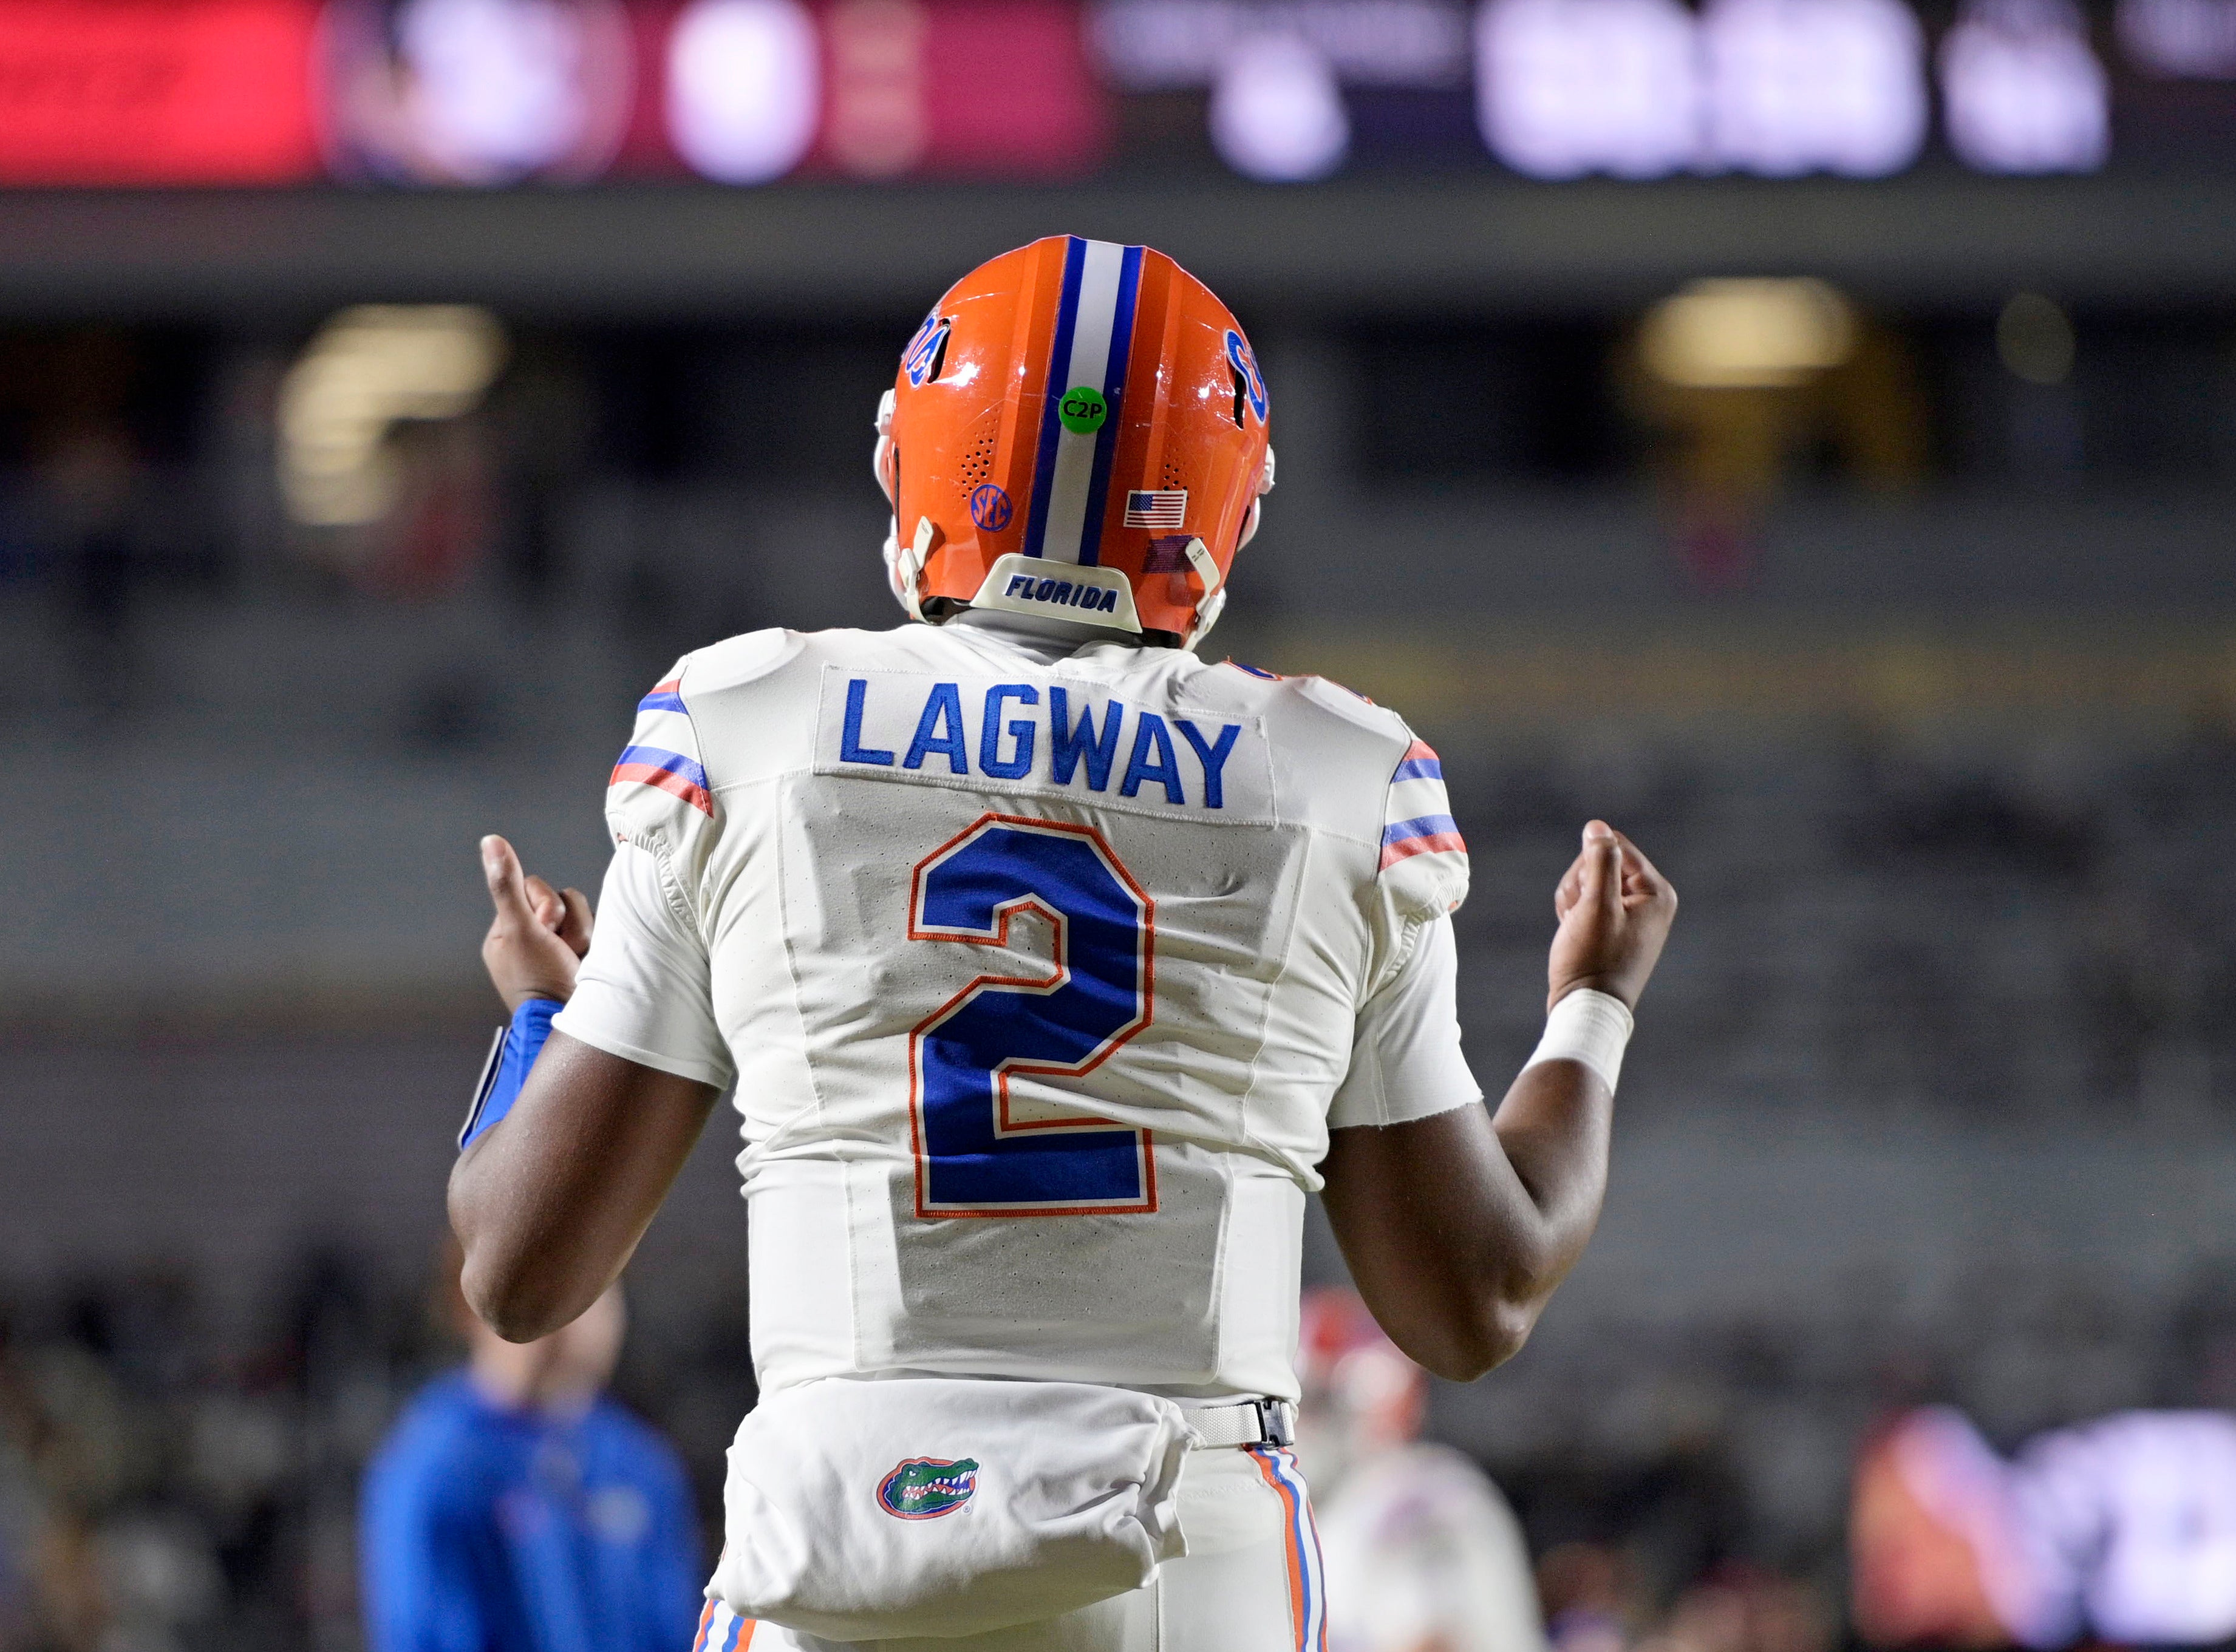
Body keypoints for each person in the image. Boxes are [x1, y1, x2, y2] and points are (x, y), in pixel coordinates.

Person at [448, 235, 1678, 1652]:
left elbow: (518, 1271)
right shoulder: (1344, 777)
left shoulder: (746, 726)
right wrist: (1591, 1006)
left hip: (840, 1546)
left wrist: (551, 1015)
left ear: (919, 459)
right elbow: (1476, 1293)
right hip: (1185, 1562)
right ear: (1219, 506)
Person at [360, 1265, 703, 1652]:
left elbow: (675, 1626)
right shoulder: (434, 1465)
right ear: (477, 1304)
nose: (576, 1319)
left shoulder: (640, 1464)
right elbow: (428, 1632)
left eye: (596, 1293)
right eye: (548, 1292)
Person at [1295, 1290, 1546, 1652]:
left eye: (1319, 1405)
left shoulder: (1425, 1498)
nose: (1300, 1428)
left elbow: (1433, 1640)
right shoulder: (1315, 1502)